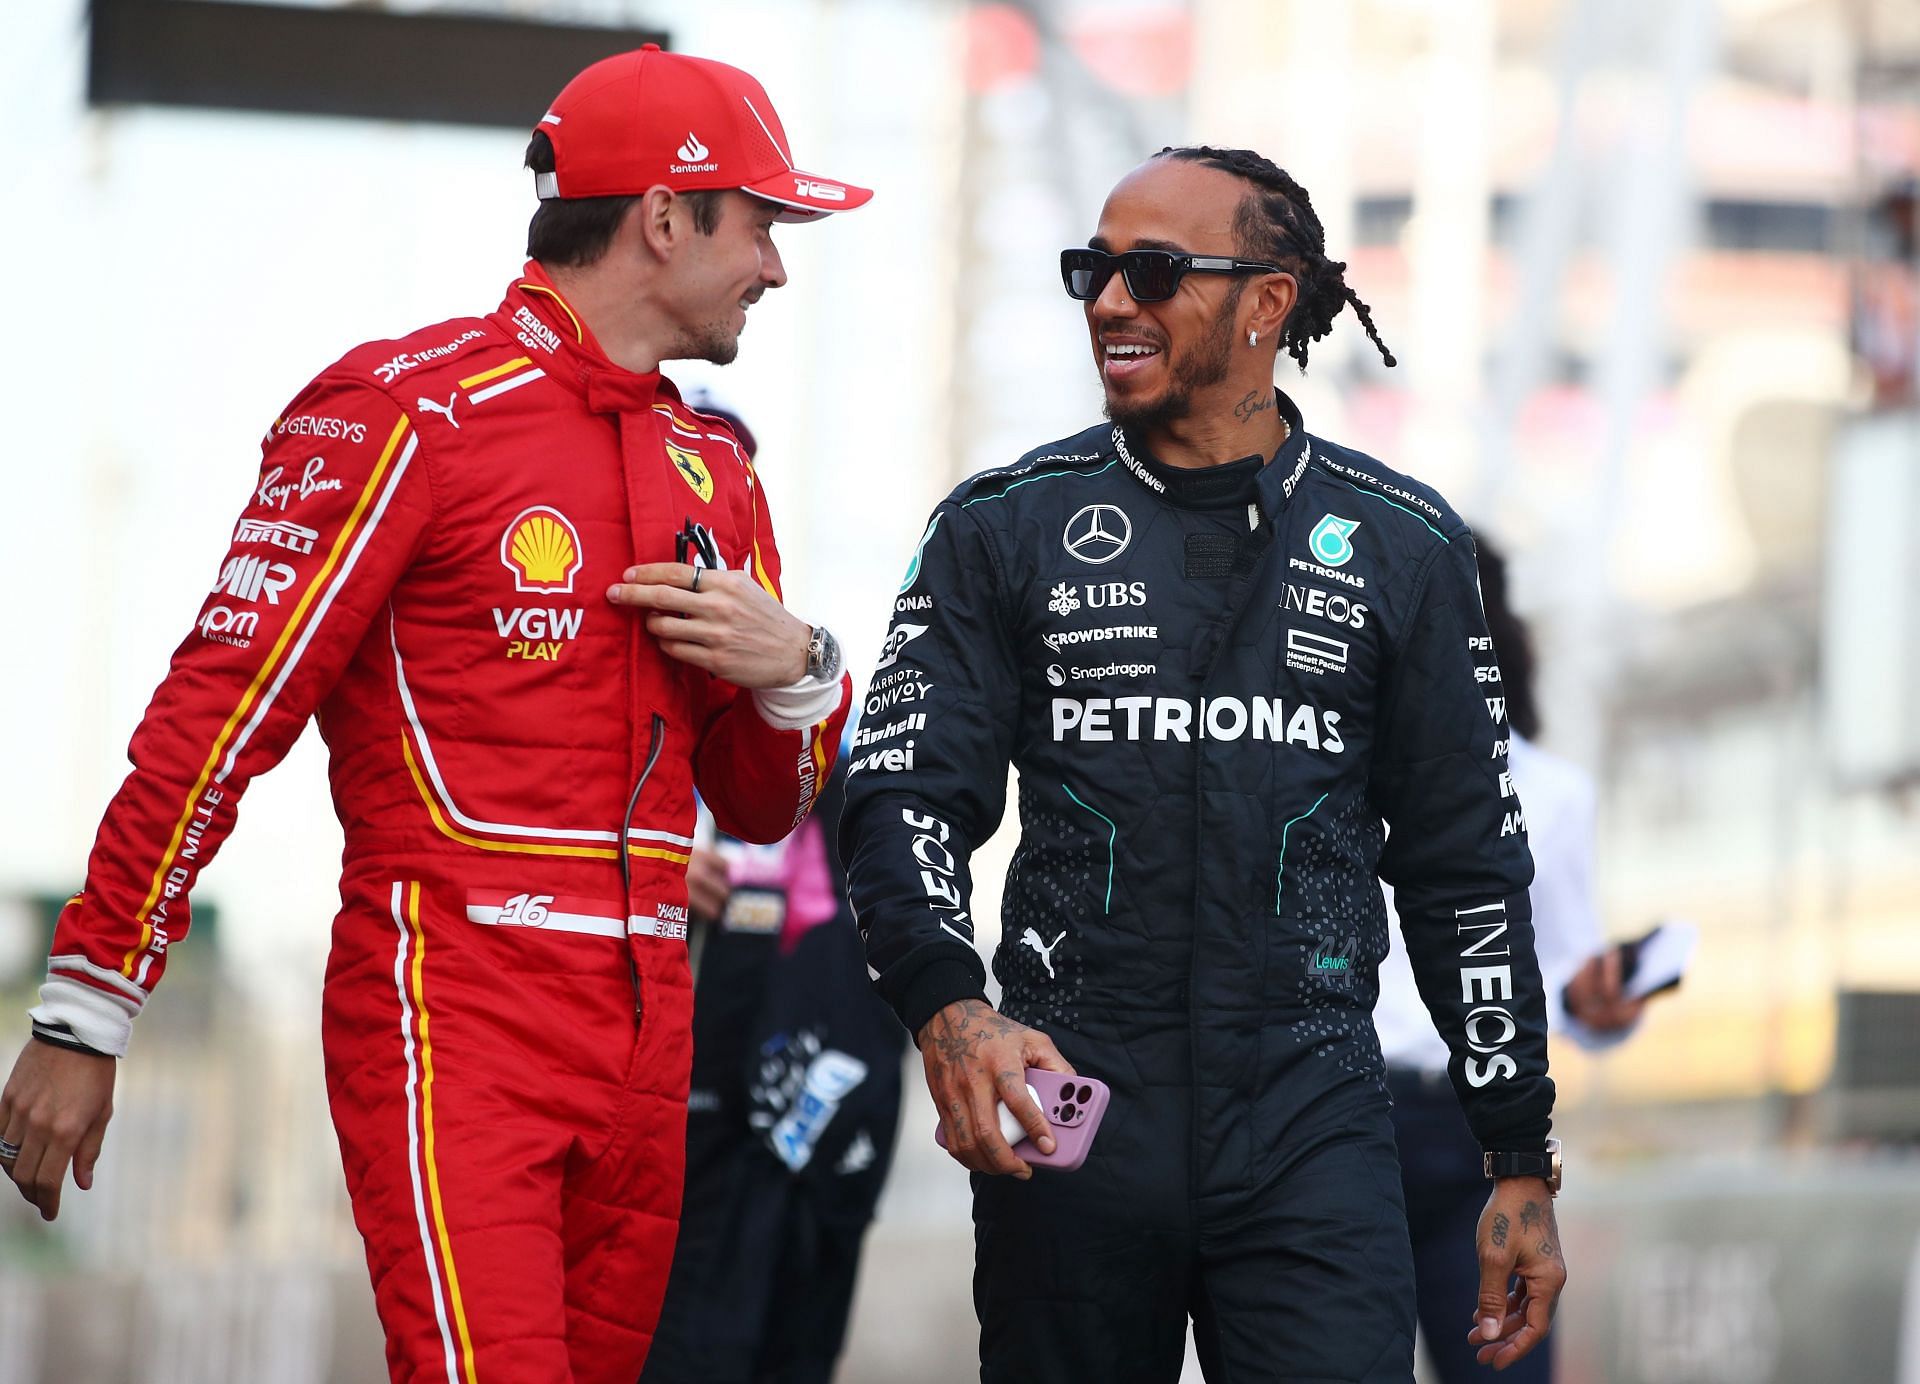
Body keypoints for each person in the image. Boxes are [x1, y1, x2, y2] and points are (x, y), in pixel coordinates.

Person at [0, 44, 864, 1383]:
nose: (775, 267)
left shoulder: (717, 469)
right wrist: (84, 1007)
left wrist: (801, 670)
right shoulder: (407, 411)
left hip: (651, 1046)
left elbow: (760, 804)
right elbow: (220, 715)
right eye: (760, 224)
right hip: (458, 1015)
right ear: (664, 215)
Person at [841, 145, 1567, 1382]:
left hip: (1314, 1114)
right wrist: (946, 1004)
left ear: (1269, 303)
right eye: (1094, 271)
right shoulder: (999, 524)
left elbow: (1468, 873)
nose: (1111, 303)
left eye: (1155, 272)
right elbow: (903, 791)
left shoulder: (1405, 545)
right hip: (1070, 1102)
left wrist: (1516, 1149)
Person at [1377, 536, 1643, 1384]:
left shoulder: (1552, 792)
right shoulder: (1318, 768)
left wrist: (1602, 1005)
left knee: (1505, 1369)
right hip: (1332, 1123)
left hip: (1475, 1130)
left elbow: (1562, 978)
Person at [642, 748, 905, 1384]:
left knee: (796, 1355)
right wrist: (633, 875)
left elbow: (907, 932)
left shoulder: (853, 772)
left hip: (828, 1143)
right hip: (678, 1147)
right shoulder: (640, 760)